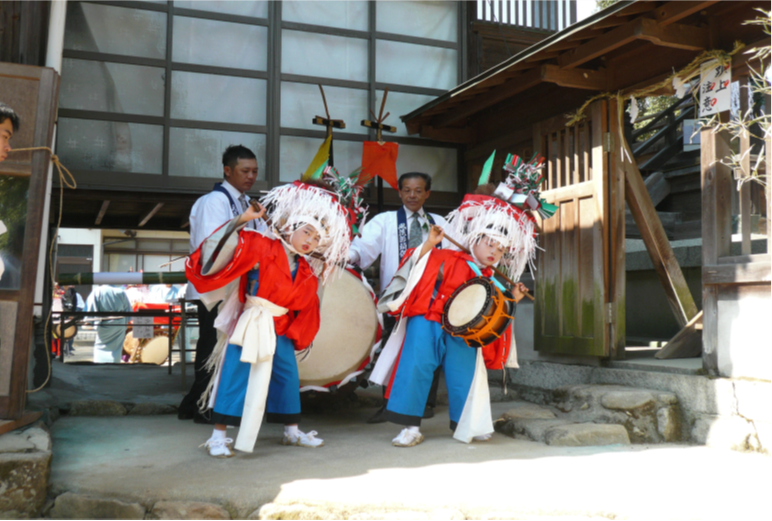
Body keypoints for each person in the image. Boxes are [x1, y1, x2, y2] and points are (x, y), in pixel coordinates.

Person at [185, 169, 360, 458]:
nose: (309, 241)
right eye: (306, 231)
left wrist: (296, 333)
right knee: (236, 372)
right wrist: (242, 221)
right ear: (289, 226)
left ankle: (291, 431)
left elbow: (305, 306)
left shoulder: (306, 270)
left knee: (287, 375)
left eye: (316, 238)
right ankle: (218, 435)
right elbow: (217, 253)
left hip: (280, 325)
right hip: (253, 319)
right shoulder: (260, 245)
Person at [370, 156, 541, 448]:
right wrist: (428, 245)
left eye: (500, 248)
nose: (494, 250)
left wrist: (511, 297)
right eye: (488, 242)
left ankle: (466, 422)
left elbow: (493, 313)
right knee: (416, 366)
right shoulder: (443, 255)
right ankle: (410, 427)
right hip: (428, 318)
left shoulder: (492, 276)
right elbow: (410, 267)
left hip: (462, 328)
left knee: (463, 373)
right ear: (473, 237)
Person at [349, 172, 449, 423]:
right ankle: (389, 403)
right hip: (397, 296)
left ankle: (425, 402)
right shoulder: (384, 221)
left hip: (432, 297)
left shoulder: (440, 222)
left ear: (427, 193)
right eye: (407, 190)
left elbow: (457, 256)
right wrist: (344, 257)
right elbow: (362, 248)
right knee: (391, 350)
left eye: (418, 190)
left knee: (429, 349)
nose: (412, 195)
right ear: (400, 192)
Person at [179, 145, 267, 424]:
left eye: (254, 171)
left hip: (237, 287)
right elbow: (212, 244)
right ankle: (203, 406)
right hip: (216, 288)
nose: (251, 176)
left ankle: (194, 404)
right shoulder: (213, 201)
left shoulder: (246, 202)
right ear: (227, 171)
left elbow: (261, 239)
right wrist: (243, 222)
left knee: (226, 347)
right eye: (245, 171)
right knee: (211, 346)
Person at [86, 285, 133, 363]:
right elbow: (127, 311)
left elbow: (91, 307)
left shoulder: (97, 291)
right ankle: (114, 365)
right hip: (119, 323)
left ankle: (99, 365)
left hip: (103, 322)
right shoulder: (120, 292)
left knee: (100, 346)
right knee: (116, 348)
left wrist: (89, 322)